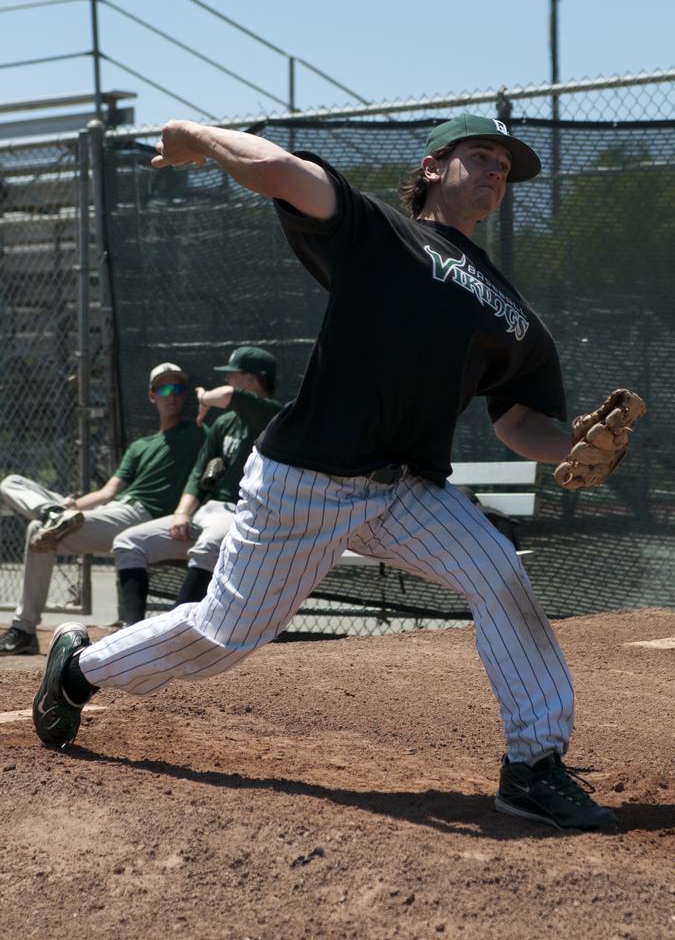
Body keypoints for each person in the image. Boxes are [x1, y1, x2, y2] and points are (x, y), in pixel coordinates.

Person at [33, 114, 618, 831]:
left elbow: (517, 423)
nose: (498, 170)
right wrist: (196, 134)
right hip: (306, 479)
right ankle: (78, 669)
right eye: (482, 155)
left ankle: (533, 766)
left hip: (405, 489)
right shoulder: (380, 231)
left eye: (506, 164)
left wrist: (580, 447)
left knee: (498, 569)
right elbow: (279, 171)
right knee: (224, 635)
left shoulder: (514, 314)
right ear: (433, 166)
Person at [0, 363, 206, 655]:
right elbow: (107, 492)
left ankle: (22, 627)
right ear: (152, 396)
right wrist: (69, 504)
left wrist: (206, 402)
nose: (171, 395)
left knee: (38, 530)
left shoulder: (198, 434)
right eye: (164, 389)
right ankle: (51, 512)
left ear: (186, 395)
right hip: (113, 509)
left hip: (140, 517)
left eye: (178, 389)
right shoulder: (140, 446)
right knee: (13, 484)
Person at [112, 347, 282, 625]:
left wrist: (204, 398)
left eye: (233, 375)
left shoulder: (274, 416)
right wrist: (182, 513)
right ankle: (130, 629)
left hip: (244, 514)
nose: (227, 380)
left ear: (251, 379)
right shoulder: (224, 424)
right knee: (128, 543)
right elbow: (199, 476)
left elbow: (228, 396)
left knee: (208, 546)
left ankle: (174, 630)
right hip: (208, 512)